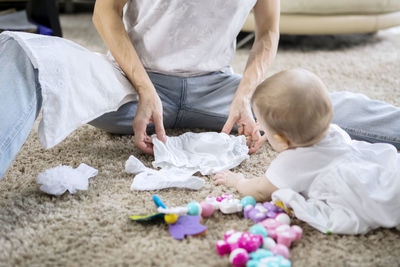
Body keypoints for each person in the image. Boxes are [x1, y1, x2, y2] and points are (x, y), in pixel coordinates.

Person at [1, 0, 400, 180]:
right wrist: (144, 88)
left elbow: (268, 32)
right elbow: (104, 12)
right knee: (22, 53)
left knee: (307, 105)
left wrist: (246, 95)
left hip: (216, 88)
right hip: (126, 82)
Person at [213, 69, 400, 204]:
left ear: (280, 139)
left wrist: (236, 180)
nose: (260, 128)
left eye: (264, 128)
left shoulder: (292, 163)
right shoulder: (334, 132)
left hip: (377, 199)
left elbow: (260, 190)